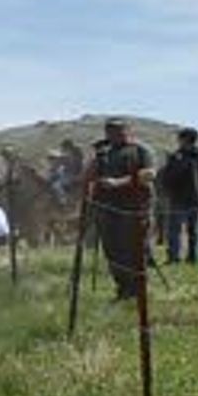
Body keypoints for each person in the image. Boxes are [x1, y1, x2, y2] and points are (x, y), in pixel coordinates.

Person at [87, 116, 153, 301]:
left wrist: (119, 182)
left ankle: (138, 290)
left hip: (132, 207)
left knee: (133, 249)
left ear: (127, 131)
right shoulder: (104, 153)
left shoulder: (140, 150)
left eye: (117, 130)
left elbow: (149, 173)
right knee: (112, 250)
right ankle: (122, 288)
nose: (113, 134)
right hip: (107, 207)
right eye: (109, 131)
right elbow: (91, 177)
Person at [157, 128, 198, 265]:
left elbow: (170, 176)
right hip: (197, 198)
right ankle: (193, 257)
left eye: (180, 138)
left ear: (184, 139)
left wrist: (166, 189)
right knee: (194, 230)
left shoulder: (177, 157)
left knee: (174, 230)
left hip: (179, 198)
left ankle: (174, 257)